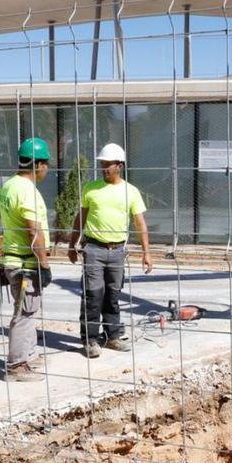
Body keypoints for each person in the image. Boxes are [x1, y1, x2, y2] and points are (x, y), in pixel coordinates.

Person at [67, 143, 154, 358]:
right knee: (93, 295)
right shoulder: (91, 188)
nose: (104, 168)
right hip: (94, 248)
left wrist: (147, 252)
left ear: (120, 165)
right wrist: (72, 244)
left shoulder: (130, 192)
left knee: (113, 295)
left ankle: (112, 336)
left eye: (108, 165)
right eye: (102, 164)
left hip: (117, 251)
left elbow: (140, 223)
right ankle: (90, 339)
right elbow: (81, 218)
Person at [0, 137, 54, 381]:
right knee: (24, 312)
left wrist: (11, 226)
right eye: (46, 164)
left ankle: (28, 355)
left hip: (12, 256)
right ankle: (17, 366)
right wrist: (44, 264)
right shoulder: (27, 191)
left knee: (29, 310)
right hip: (24, 262)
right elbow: (34, 231)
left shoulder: (8, 185)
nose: (47, 169)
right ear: (39, 164)